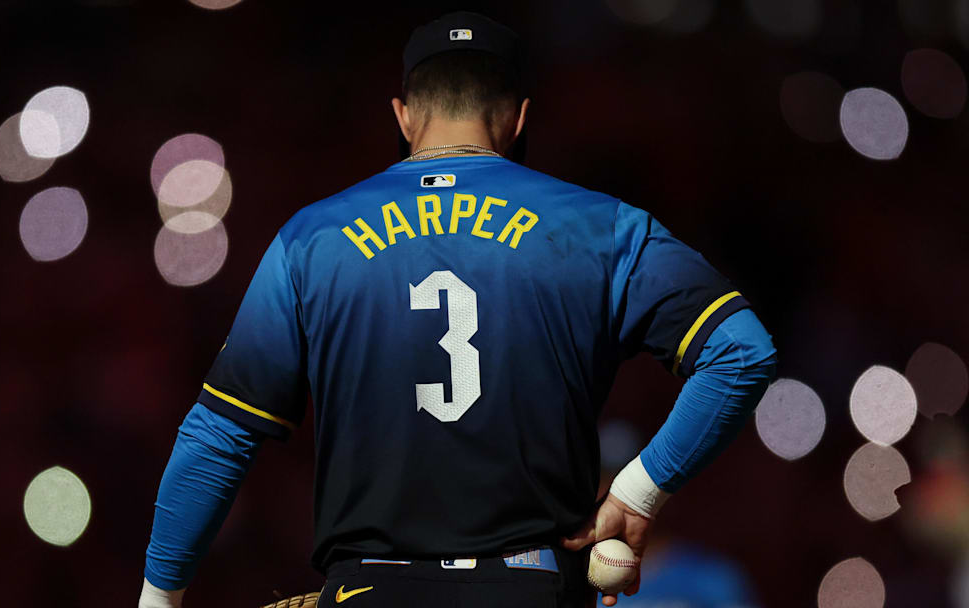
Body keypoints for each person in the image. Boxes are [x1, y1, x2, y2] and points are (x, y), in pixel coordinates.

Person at [139, 11, 777, 608]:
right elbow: (742, 353)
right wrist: (639, 492)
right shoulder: (602, 227)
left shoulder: (312, 240)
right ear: (519, 117)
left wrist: (158, 598)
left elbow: (218, 433)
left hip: (370, 591)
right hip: (530, 588)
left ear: (404, 115)